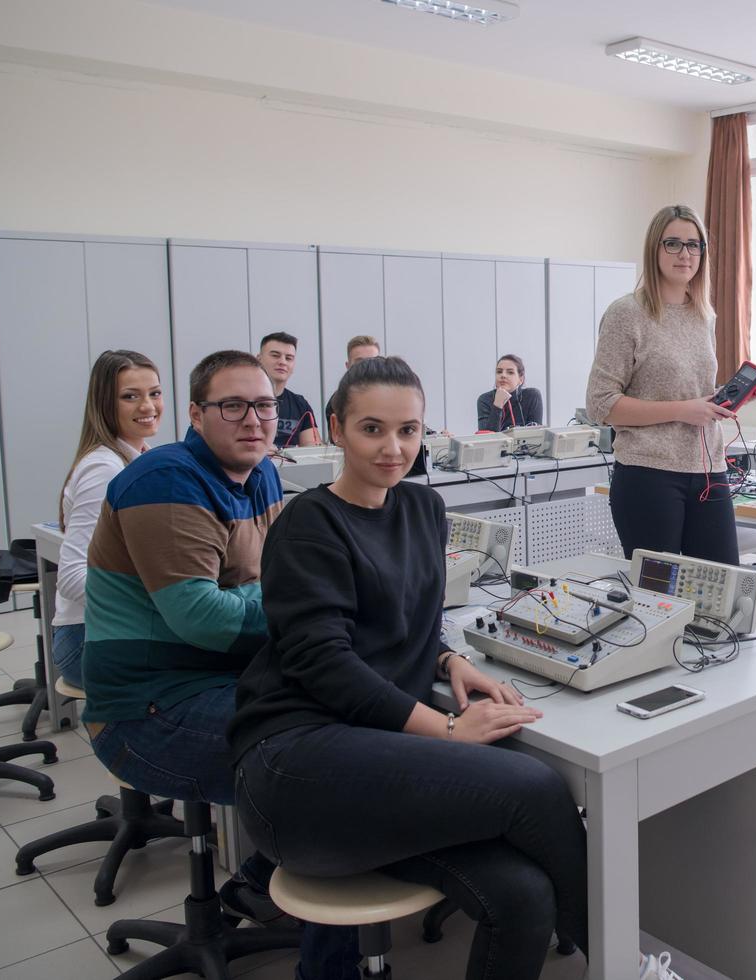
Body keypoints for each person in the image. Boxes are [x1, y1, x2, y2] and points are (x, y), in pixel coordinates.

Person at [230, 356, 595, 980]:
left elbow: (401, 619)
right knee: (533, 785)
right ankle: (623, 957)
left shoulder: (423, 511)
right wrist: (448, 731)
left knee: (522, 896)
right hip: (294, 766)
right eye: (373, 429)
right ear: (338, 428)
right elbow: (325, 664)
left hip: (373, 756)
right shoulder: (309, 523)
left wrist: (449, 659)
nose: (393, 448)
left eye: (409, 430)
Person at [81, 349, 287, 925]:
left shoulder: (263, 471)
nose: (253, 420)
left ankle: (265, 882)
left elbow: (272, 582)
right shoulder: (166, 479)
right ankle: (274, 893)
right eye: (233, 406)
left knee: (345, 722)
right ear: (196, 414)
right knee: (317, 760)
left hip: (222, 675)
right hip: (146, 708)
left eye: (265, 405)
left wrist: (287, 600)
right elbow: (203, 617)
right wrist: (298, 607)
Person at [586, 204, 739, 565]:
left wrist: (727, 397)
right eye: (673, 244)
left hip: (707, 469)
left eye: (694, 244)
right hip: (648, 474)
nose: (685, 254)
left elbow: (690, 389)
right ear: (654, 249)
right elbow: (600, 403)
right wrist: (686, 411)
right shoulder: (626, 314)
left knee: (723, 593)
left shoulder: (704, 314)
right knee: (659, 602)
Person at [51, 350, 162, 687]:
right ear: (104, 404)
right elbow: (70, 577)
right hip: (85, 640)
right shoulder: (104, 469)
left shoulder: (139, 457)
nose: (148, 406)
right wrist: (159, 596)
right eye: (130, 397)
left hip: (113, 629)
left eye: (154, 393)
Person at [257, 331, 319, 448]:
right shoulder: (244, 401)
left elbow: (312, 450)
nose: (282, 362)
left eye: (289, 358)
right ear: (259, 359)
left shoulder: (301, 405)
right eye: (275, 355)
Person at [323, 334, 381, 433]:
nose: (367, 367)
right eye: (360, 362)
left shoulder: (396, 396)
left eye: (372, 361)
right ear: (348, 366)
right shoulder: (337, 402)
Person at [476, 353, 544, 431]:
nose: (503, 375)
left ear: (521, 379)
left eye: (510, 372)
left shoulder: (532, 395)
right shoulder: (484, 399)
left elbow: (536, 434)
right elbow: (486, 438)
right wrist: (498, 405)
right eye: (499, 372)